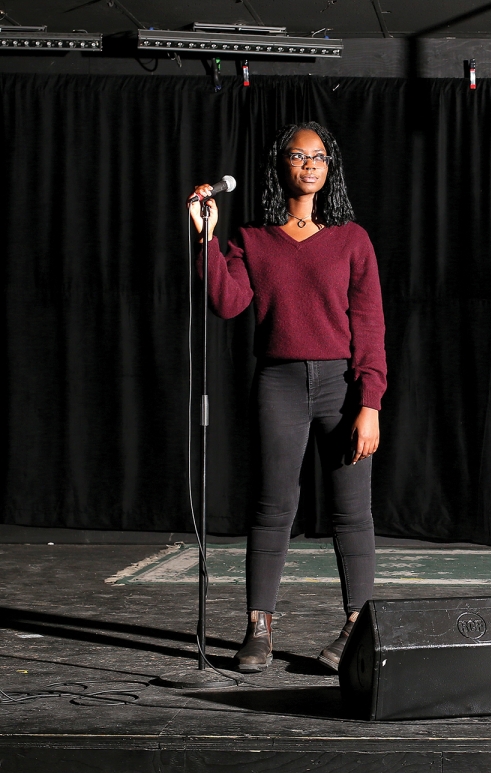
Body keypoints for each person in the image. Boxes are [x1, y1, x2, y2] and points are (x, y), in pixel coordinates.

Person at [189, 122, 386, 673]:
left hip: (341, 386)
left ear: (330, 168)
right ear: (281, 165)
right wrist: (207, 238)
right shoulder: (251, 238)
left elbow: (369, 323)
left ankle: (355, 627)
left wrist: (370, 402)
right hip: (277, 383)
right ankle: (258, 629)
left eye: (319, 156)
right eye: (298, 156)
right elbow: (227, 304)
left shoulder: (352, 238)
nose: (309, 164)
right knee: (273, 508)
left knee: (352, 513)